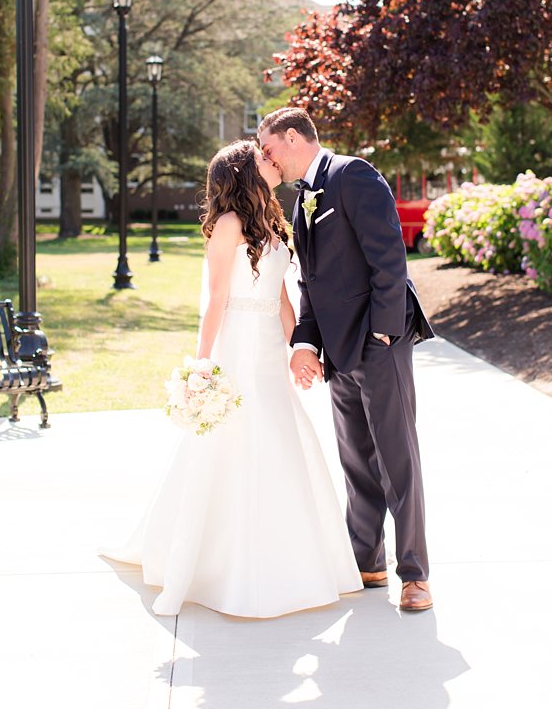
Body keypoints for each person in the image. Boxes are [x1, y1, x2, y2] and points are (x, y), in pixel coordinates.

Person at [102, 139, 362, 617]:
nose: (271, 159)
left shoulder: (272, 221)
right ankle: (212, 563)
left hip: (267, 347)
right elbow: (216, 299)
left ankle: (289, 560)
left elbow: (283, 299)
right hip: (237, 347)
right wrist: (202, 368)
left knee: (281, 441)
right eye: (262, 157)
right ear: (243, 170)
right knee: (230, 445)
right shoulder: (227, 225)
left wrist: (301, 350)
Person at [256, 107, 435, 613]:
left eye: (269, 149)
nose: (267, 159)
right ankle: (367, 560)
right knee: (357, 461)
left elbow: (388, 257)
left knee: (398, 458)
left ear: (293, 138)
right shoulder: (300, 203)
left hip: (379, 345)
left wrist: (383, 331)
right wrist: (306, 345)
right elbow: (309, 286)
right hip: (337, 352)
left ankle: (415, 574)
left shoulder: (353, 173)